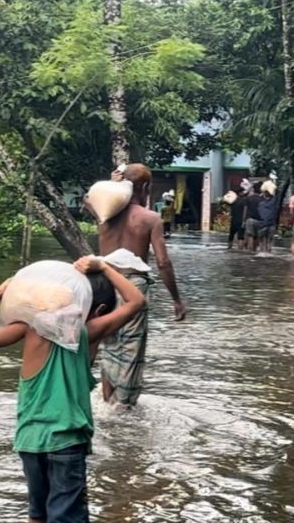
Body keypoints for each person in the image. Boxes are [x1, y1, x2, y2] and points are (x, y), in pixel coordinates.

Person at [0, 258, 145, 523]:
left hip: (29, 441)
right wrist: (105, 268)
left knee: (38, 515)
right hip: (66, 440)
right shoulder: (87, 333)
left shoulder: (29, 329)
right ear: (94, 309)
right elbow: (136, 302)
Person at [99, 163, 187, 408]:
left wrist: (112, 184)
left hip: (104, 282)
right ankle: (124, 407)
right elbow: (163, 262)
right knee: (131, 347)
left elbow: (89, 198)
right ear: (146, 187)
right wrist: (176, 300)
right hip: (133, 285)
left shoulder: (104, 211)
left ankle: (107, 401)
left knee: (109, 341)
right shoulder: (150, 218)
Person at [257, 182, 284, 253]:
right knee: (269, 241)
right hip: (270, 224)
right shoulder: (274, 201)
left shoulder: (260, 201)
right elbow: (278, 194)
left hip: (262, 224)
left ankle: (263, 252)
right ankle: (268, 252)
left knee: (262, 242)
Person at [243, 182, 263, 251]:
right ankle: (254, 250)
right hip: (260, 220)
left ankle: (250, 250)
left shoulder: (248, 198)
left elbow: (245, 210)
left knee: (250, 236)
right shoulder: (262, 199)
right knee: (257, 236)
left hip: (250, 219)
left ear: (253, 189)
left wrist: (243, 221)